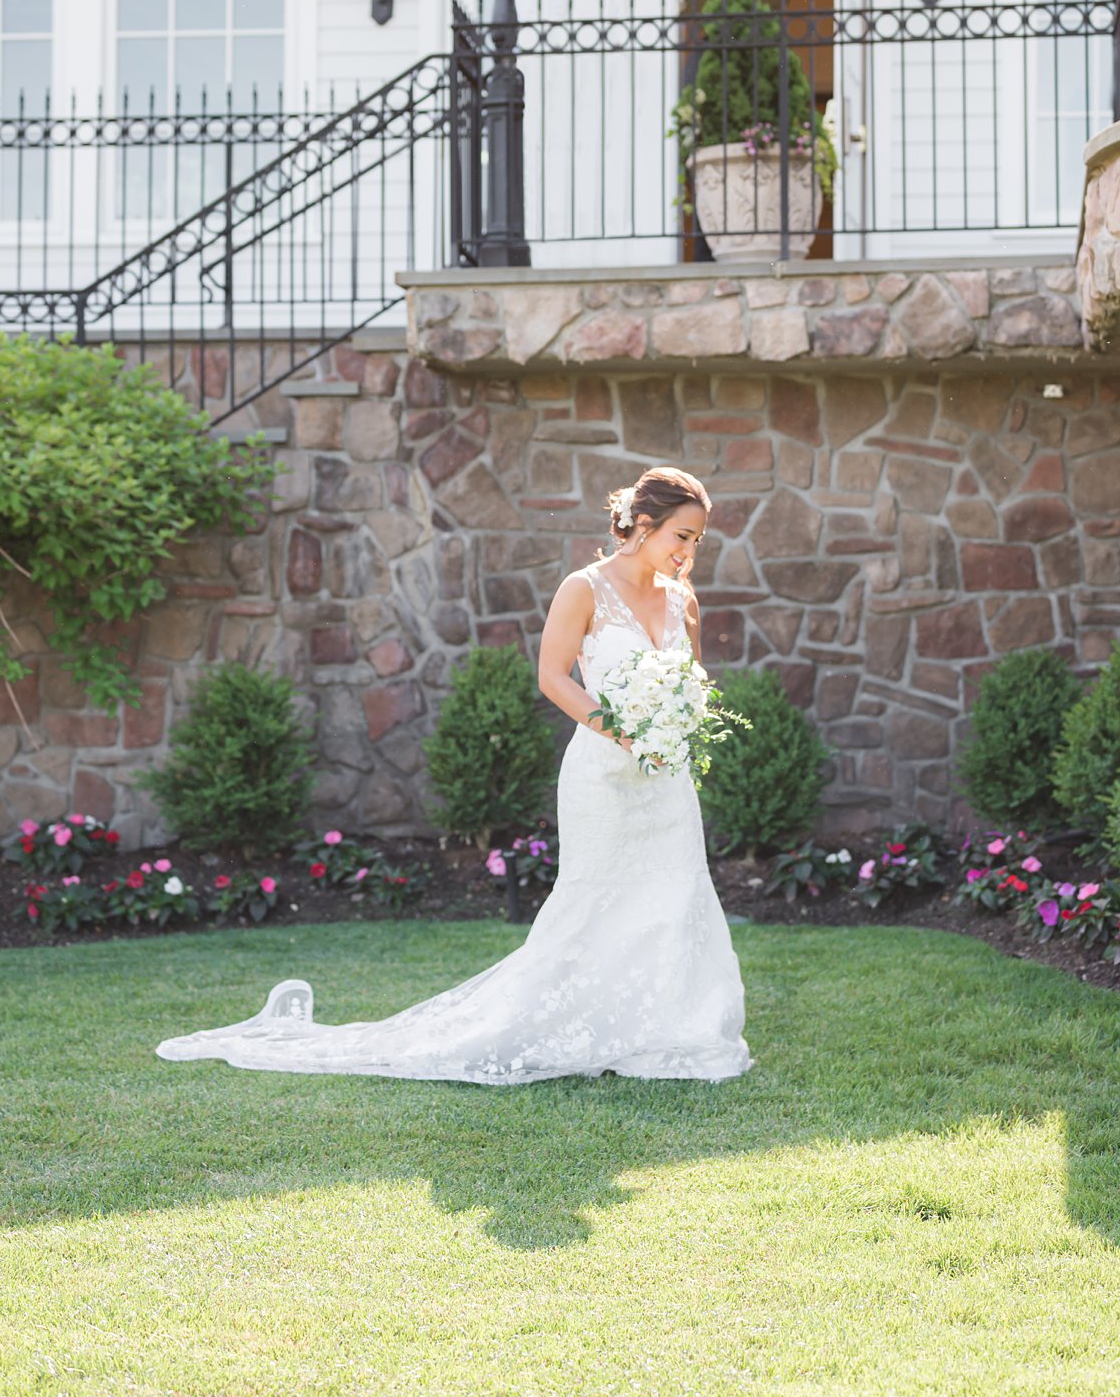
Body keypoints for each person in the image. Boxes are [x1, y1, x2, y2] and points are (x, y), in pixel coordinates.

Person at [155, 464, 752, 1085]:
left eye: (697, 542)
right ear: (644, 524)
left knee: (673, 895)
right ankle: (568, 1026)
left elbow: (693, 684)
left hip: (665, 781)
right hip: (604, 774)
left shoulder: (683, 601)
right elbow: (552, 677)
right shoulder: (585, 588)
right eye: (681, 536)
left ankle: (666, 1032)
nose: (687, 553)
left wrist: (679, 726)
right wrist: (621, 731)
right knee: (594, 902)